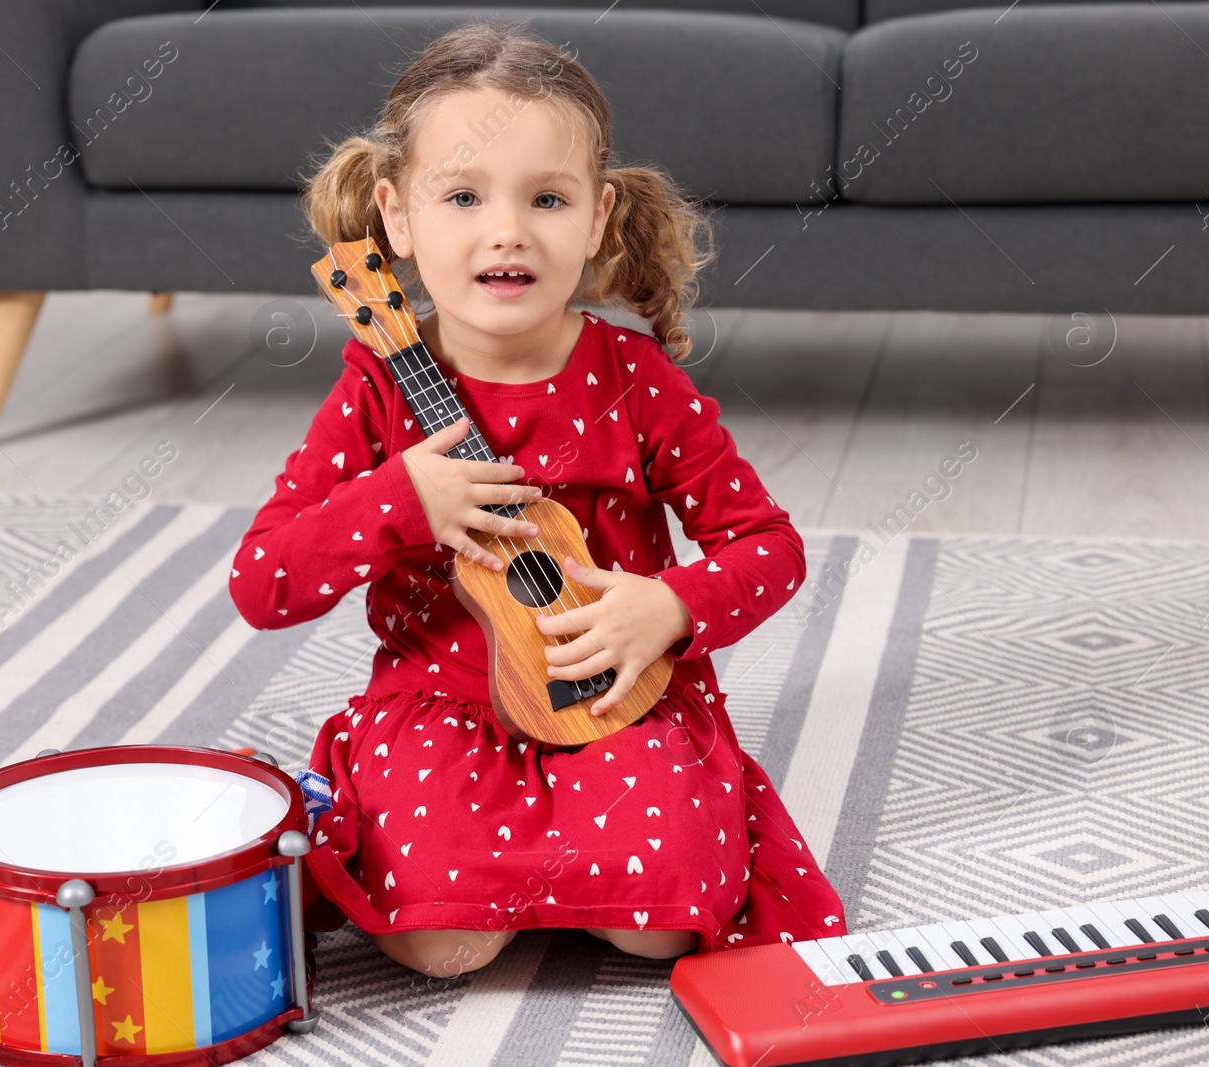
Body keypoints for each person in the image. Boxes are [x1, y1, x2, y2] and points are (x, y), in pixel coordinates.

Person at [228, 19, 847, 979]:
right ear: (396, 217)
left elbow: (769, 543)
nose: (506, 229)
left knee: (662, 922)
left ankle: (578, 868)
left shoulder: (634, 379)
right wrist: (399, 497)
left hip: (614, 695)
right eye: (464, 195)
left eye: (547, 198)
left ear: (599, 219)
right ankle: (503, 873)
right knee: (443, 942)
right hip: (440, 705)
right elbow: (262, 584)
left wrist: (673, 605)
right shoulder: (382, 386)